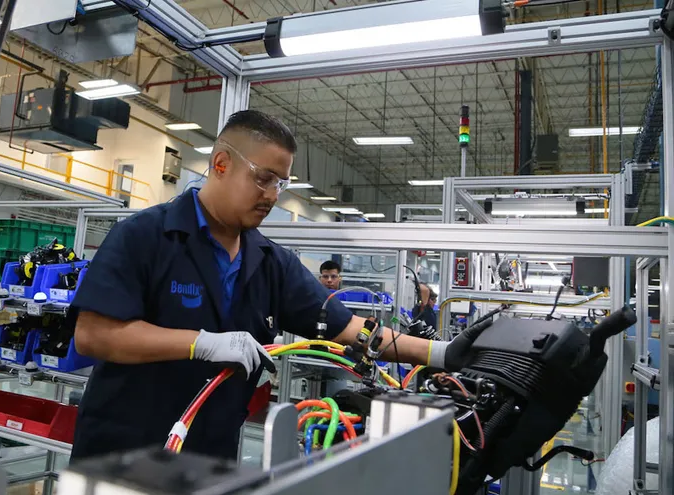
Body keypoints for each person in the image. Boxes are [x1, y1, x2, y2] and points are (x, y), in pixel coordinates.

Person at [70, 109, 490, 461]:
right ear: (220, 164)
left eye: (280, 183)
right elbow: (93, 335)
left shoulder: (271, 263)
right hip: (122, 452)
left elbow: (352, 330)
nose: (272, 195)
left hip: (208, 457)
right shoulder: (147, 236)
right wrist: (200, 342)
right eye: (263, 178)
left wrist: (442, 353)